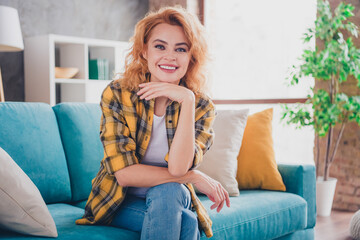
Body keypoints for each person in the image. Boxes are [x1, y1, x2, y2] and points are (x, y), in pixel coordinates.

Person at [76, 6, 230, 240]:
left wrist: (187, 100)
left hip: (171, 197)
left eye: (181, 49)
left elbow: (178, 168)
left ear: (191, 57)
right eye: (160, 46)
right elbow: (125, 175)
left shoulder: (201, 106)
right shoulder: (118, 94)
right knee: (187, 222)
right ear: (144, 51)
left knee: (170, 191)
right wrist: (193, 177)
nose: (170, 56)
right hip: (119, 201)